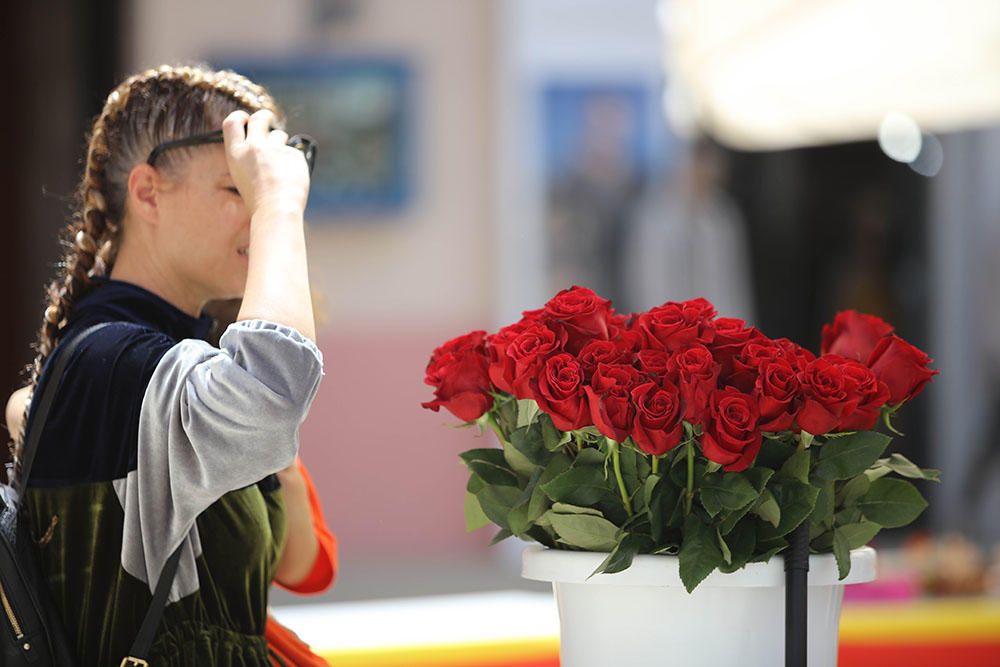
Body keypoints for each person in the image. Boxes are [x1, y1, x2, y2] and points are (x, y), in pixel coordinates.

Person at [3, 64, 324, 664]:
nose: (257, 209)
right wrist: (278, 204)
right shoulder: (109, 362)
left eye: (260, 189)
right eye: (238, 188)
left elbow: (298, 559)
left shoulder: (162, 361)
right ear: (148, 192)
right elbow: (272, 390)